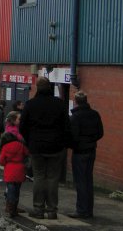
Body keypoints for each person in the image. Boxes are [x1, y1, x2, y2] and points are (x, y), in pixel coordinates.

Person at [20, 77, 70, 220]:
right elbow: (66, 126)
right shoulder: (59, 104)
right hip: (56, 146)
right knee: (53, 178)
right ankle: (52, 210)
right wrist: (62, 143)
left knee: (39, 177)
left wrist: (30, 140)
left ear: (37, 87)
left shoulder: (30, 104)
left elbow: (22, 127)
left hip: (37, 146)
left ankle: (38, 209)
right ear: (50, 87)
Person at [68, 91, 104, 219]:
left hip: (79, 152)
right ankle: (89, 210)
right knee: (89, 180)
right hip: (91, 150)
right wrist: (91, 140)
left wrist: (75, 145)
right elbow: (100, 133)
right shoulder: (95, 114)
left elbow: (73, 137)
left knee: (81, 182)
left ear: (76, 101)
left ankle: (81, 210)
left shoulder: (75, 117)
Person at [0, 129, 29, 218]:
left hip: (9, 170)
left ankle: (10, 208)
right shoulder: (20, 145)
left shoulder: (5, 147)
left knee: (10, 190)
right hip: (20, 169)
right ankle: (15, 208)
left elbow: (1, 161)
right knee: (17, 191)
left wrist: (7, 162)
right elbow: (27, 153)